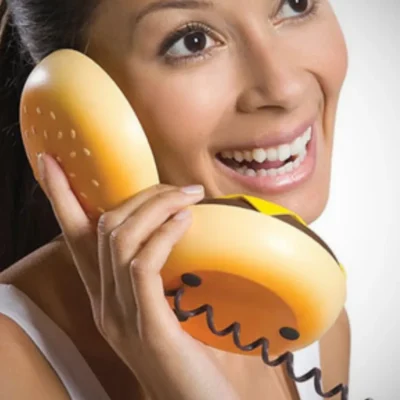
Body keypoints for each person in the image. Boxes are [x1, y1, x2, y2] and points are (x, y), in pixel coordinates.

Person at [0, 0, 351, 398]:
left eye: (295, 5)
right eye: (193, 41)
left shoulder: (315, 326)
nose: (283, 88)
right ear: (74, 104)